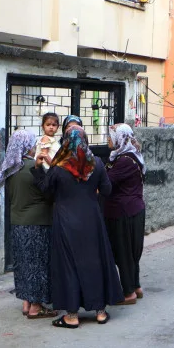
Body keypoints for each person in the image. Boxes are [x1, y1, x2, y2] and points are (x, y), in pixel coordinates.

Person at [32, 125, 123, 328]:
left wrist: (38, 169)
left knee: (69, 265)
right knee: (95, 261)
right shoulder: (97, 163)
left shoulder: (59, 166)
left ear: (65, 141)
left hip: (66, 220)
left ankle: (72, 315)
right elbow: (107, 190)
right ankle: (100, 311)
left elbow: (47, 191)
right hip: (92, 219)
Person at [0, 130, 56, 319]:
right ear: (27, 146)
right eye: (32, 143)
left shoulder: (10, 170)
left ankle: (26, 303)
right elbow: (50, 192)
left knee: (23, 264)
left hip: (18, 223)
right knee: (38, 264)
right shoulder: (34, 168)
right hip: (38, 223)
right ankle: (37, 306)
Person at [103, 124, 146, 305]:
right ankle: (135, 286)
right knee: (131, 252)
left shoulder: (124, 161)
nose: (108, 140)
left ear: (120, 138)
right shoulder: (131, 156)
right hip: (133, 209)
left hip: (123, 212)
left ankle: (128, 293)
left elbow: (106, 182)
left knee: (124, 252)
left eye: (110, 136)